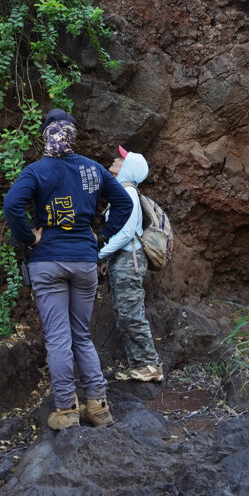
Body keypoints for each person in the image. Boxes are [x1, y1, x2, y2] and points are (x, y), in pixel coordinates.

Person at [3, 109, 133, 430]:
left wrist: (28, 237)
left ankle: (66, 410)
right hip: (85, 261)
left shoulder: (36, 171)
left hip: (47, 261)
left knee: (59, 338)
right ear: (73, 135)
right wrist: (101, 235)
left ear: (46, 134)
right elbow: (125, 204)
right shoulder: (93, 169)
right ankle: (98, 407)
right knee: (82, 336)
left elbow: (11, 206)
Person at [98, 146, 164, 383]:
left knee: (131, 314)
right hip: (122, 259)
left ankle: (150, 365)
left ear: (130, 167)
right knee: (124, 314)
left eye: (121, 158)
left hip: (130, 260)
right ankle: (139, 365)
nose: (116, 159)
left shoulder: (128, 192)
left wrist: (99, 253)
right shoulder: (123, 191)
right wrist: (108, 259)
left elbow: (127, 233)